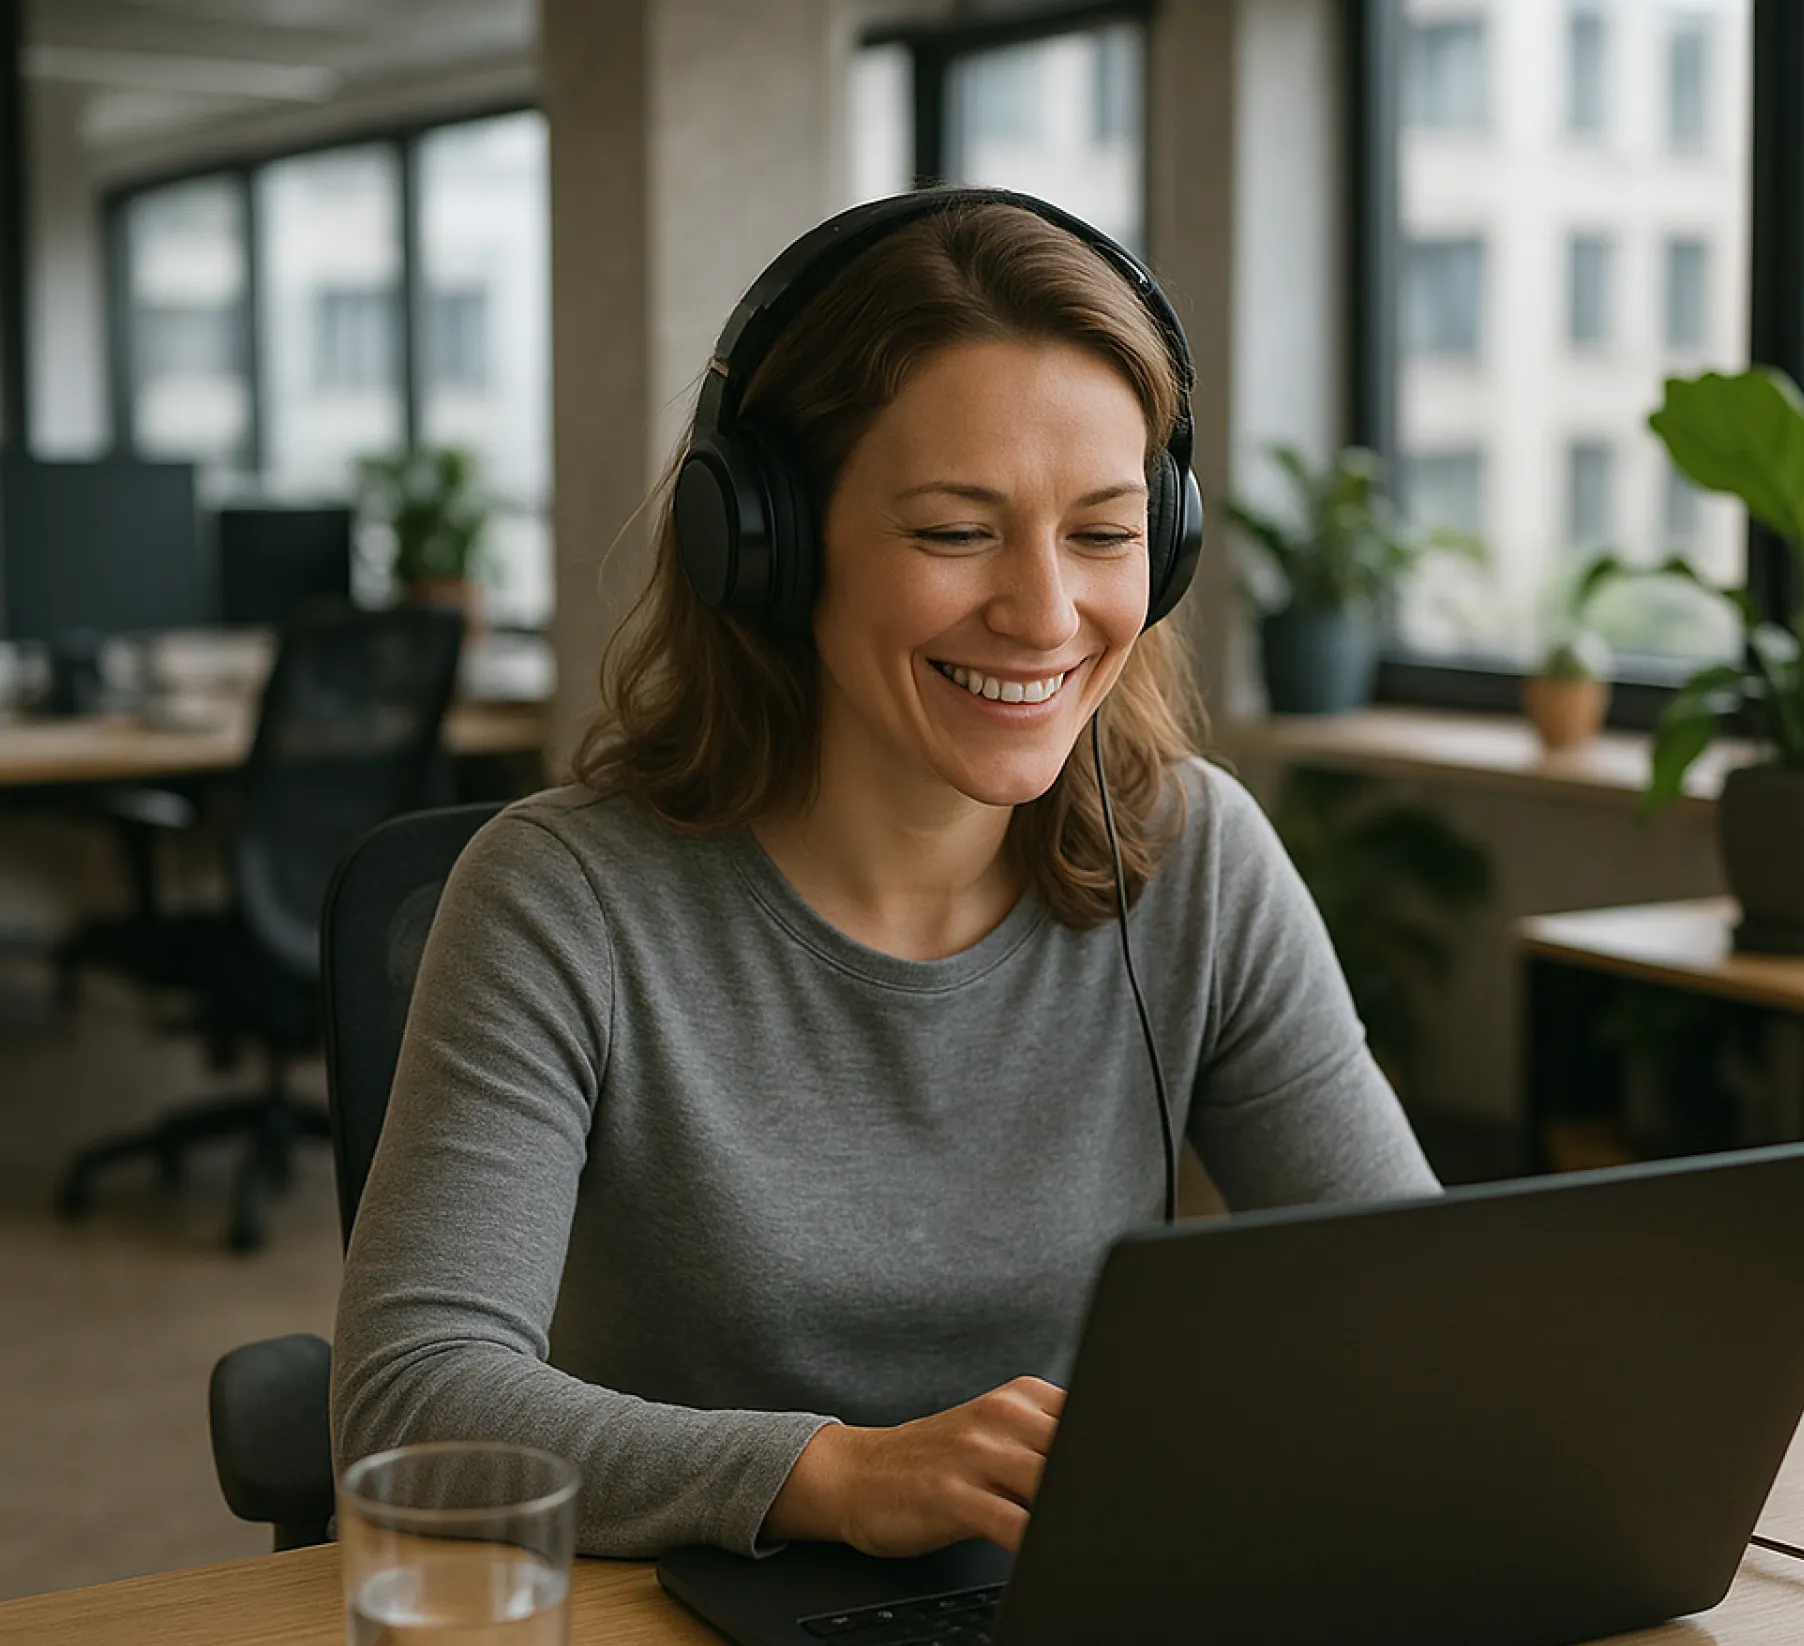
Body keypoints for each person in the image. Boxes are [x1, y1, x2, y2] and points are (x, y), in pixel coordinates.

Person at [330, 193, 1437, 1562]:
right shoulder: (562, 901)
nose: (1044, 614)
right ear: (770, 544)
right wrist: (834, 1478)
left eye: (1100, 533)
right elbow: (408, 1402)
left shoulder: (1195, 858)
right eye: (955, 531)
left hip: (1049, 1618)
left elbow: (1417, 1309)